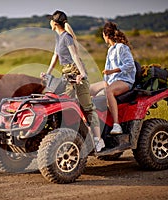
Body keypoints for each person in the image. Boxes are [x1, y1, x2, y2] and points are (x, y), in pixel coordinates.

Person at [41, 10, 105, 152]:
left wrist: (82, 74)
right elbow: (55, 56)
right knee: (66, 105)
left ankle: (98, 140)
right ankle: (73, 136)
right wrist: (47, 73)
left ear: (55, 23)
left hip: (76, 74)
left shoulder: (67, 37)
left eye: (51, 21)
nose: (49, 23)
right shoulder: (58, 38)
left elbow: (75, 56)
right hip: (67, 75)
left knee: (88, 107)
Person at [90, 22, 136, 134]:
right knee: (89, 89)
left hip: (124, 80)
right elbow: (107, 71)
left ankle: (116, 125)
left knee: (108, 91)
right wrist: (105, 81)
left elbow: (130, 64)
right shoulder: (110, 50)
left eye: (103, 35)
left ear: (106, 35)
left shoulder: (121, 47)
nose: (103, 38)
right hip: (112, 81)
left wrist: (112, 71)